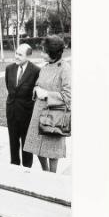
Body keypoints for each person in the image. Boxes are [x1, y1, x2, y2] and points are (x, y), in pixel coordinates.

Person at [23, 35, 71, 173]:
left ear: (53, 53)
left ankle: (52, 176)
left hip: (54, 116)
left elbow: (68, 96)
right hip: (39, 113)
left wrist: (47, 94)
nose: (41, 54)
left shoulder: (65, 69)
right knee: (36, 146)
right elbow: (38, 85)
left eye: (44, 51)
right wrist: (36, 89)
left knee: (52, 151)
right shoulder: (45, 67)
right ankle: (45, 172)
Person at [5, 43, 40, 167]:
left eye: (20, 54)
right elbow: (10, 89)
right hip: (12, 113)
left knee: (26, 145)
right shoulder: (9, 69)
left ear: (28, 56)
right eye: (16, 53)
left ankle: (27, 170)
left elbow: (35, 94)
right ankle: (14, 167)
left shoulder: (36, 71)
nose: (16, 56)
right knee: (13, 143)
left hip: (27, 115)